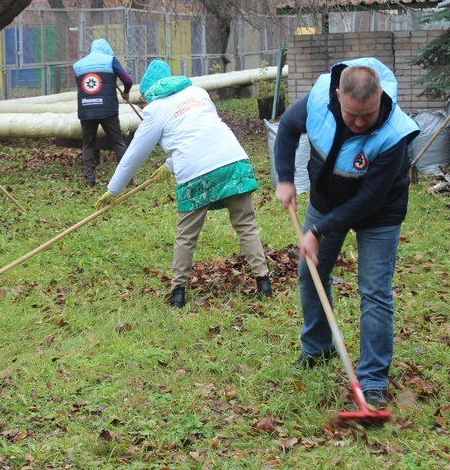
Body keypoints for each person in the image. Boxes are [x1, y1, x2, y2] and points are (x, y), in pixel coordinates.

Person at [274, 57, 419, 409]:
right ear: (338, 95)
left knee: (374, 292)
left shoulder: (394, 134)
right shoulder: (319, 99)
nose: (357, 123)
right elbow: (288, 130)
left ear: (379, 97)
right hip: (326, 198)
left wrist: (319, 231)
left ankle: (371, 380)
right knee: (311, 275)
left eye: (366, 116)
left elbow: (369, 200)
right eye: (350, 114)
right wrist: (285, 179)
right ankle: (318, 348)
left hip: (379, 212)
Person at [96, 60, 272, 306]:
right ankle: (264, 283)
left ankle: (178, 293)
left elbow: (134, 154)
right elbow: (200, 132)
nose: (144, 102)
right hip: (233, 160)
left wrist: (113, 189)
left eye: (144, 97)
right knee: (246, 225)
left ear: (149, 91)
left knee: (186, 235)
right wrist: (168, 166)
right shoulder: (198, 92)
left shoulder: (155, 110)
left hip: (196, 172)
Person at [73, 39, 133, 187]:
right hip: (108, 109)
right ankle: (128, 180)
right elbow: (128, 80)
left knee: (88, 144)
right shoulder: (110, 60)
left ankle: (89, 181)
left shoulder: (78, 65)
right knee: (118, 142)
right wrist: (126, 92)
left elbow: (80, 86)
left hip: (86, 108)